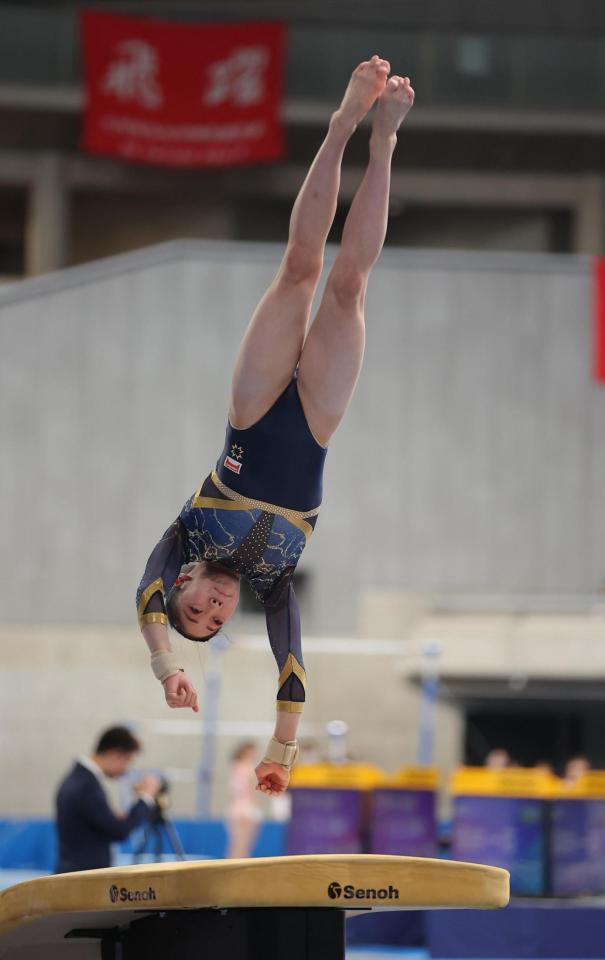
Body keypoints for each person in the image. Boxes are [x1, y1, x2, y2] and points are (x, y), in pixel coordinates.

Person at [136, 57, 415, 797]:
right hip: (319, 422)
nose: (212, 605)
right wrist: (278, 755)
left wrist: (168, 666)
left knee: (299, 267)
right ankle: (383, 142)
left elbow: (145, 598)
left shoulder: (183, 540)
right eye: (213, 620)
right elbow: (291, 673)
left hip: (252, 411)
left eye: (193, 605)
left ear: (185, 582)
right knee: (349, 285)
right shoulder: (276, 583)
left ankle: (342, 123)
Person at [55, 726, 160, 873]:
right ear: (114, 754)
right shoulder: (87, 786)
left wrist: (113, 817)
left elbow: (99, 824)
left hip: (76, 874)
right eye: (127, 761)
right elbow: (118, 831)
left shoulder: (79, 779)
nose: (127, 769)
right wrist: (145, 797)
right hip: (82, 879)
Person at [226, 742, 262, 859]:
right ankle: (236, 865)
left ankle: (234, 863)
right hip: (245, 807)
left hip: (237, 807)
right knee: (243, 842)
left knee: (238, 842)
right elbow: (251, 790)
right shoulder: (247, 768)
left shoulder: (236, 767)